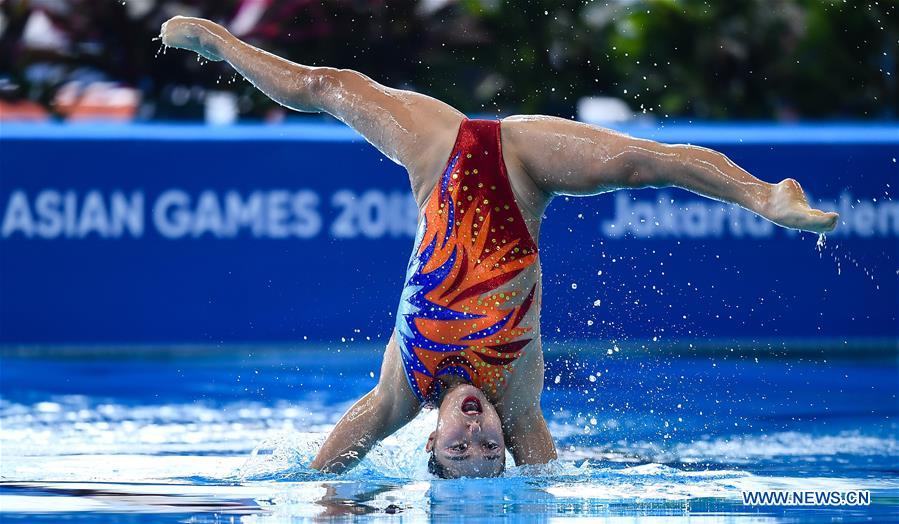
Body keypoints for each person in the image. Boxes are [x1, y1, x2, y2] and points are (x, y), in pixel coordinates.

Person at [159, 16, 839, 479]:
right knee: (639, 162)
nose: (478, 436)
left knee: (323, 86)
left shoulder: (402, 393)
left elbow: (323, 471)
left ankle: (219, 44)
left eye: (461, 449)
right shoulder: (516, 402)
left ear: (431, 441)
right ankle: (764, 198)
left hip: (440, 155)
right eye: (490, 450)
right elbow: (546, 485)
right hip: (522, 170)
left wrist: (324, 503)